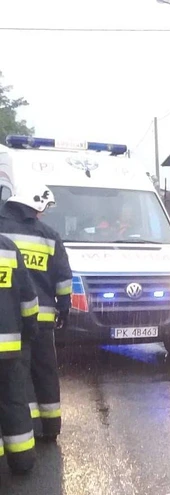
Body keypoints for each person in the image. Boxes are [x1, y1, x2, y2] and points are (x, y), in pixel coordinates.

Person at [0, 184, 72, 442]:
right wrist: (64, 310)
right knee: (45, 372)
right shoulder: (49, 236)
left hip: (9, 321)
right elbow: (63, 280)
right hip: (42, 320)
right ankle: (50, 427)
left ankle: (25, 429)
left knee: (16, 379)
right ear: (35, 207)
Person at [0, 233, 39, 479]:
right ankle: (22, 460)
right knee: (14, 402)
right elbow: (29, 299)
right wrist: (28, 332)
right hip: (10, 347)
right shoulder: (7, 247)